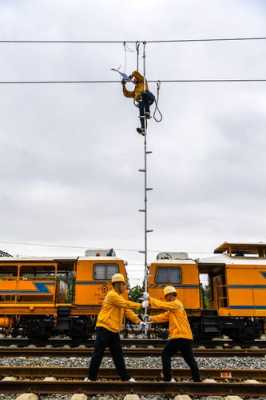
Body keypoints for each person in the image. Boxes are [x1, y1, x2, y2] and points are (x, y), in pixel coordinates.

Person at [86, 273, 142, 382]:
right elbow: (125, 304)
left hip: (113, 330)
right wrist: (140, 305)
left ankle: (125, 378)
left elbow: (127, 311)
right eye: (123, 284)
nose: (125, 287)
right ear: (117, 284)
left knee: (118, 355)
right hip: (104, 328)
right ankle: (90, 378)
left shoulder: (119, 297)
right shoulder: (112, 295)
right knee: (98, 354)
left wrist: (139, 321)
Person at [144, 286, 201, 383]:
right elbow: (163, 316)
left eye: (166, 296)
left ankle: (167, 378)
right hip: (185, 337)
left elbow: (162, 305)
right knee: (189, 359)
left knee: (165, 354)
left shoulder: (176, 304)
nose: (166, 298)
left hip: (179, 336)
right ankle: (197, 379)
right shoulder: (174, 308)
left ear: (171, 295)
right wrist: (150, 318)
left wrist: (149, 298)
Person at [122, 70, 155, 135]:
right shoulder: (135, 91)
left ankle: (147, 112)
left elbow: (135, 72)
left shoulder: (142, 81)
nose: (133, 81)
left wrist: (130, 76)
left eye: (134, 79)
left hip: (149, 97)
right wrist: (123, 86)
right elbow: (126, 94)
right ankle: (143, 129)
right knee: (141, 110)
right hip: (143, 102)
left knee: (143, 94)